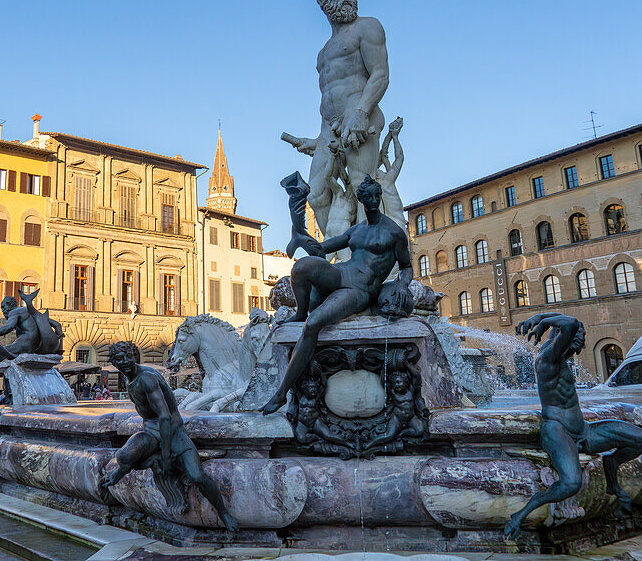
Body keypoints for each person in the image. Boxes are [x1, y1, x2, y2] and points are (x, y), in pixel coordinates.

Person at [261, 176, 412, 414]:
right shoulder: (356, 231)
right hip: (342, 274)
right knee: (301, 267)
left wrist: (402, 285)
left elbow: (407, 267)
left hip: (360, 289)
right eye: (368, 198)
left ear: (380, 198)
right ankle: (299, 313)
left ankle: (281, 393)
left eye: (376, 197)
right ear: (361, 200)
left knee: (315, 323)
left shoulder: (393, 233)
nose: (373, 201)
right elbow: (321, 249)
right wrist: (300, 232)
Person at [504, 313, 642, 540]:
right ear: (562, 337)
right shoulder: (549, 357)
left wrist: (547, 321)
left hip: (583, 429)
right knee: (570, 484)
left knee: (641, 438)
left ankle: (611, 469)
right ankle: (521, 513)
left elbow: (570, 324)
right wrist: (542, 320)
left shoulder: (559, 357)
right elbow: (570, 323)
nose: (579, 345)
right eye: (577, 339)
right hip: (557, 430)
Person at [280, 0, 393, 236]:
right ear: (323, 1)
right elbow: (328, 101)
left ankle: (375, 259)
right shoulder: (323, 53)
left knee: (361, 186)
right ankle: (341, 260)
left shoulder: (367, 27)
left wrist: (361, 112)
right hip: (329, 128)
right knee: (316, 194)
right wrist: (317, 140)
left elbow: (380, 73)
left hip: (361, 114)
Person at [98, 341, 238, 531]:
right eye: (118, 359)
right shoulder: (129, 379)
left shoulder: (146, 378)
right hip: (151, 431)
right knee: (123, 456)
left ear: (134, 356)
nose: (123, 362)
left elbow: (164, 417)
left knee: (197, 475)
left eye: (127, 357)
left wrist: (165, 456)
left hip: (173, 432)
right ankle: (123, 470)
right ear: (113, 362)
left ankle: (223, 512)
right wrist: (119, 472)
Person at [0, 289, 63, 402]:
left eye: (3, 308)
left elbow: (8, 328)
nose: (3, 311)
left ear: (9, 307)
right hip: (31, 346)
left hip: (24, 344)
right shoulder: (28, 311)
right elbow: (57, 325)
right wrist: (59, 348)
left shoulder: (14, 312)